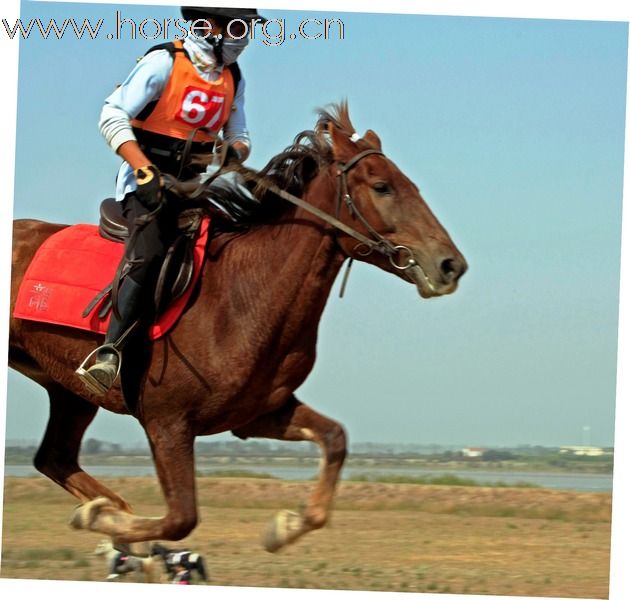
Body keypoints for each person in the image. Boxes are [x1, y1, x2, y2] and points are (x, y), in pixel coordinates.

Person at [77, 6, 265, 395]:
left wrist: (236, 151)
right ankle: (110, 353)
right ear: (208, 26)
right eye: (237, 26)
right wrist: (143, 170)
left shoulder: (234, 77)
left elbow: (239, 131)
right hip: (144, 183)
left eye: (246, 26)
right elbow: (111, 115)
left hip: (193, 186)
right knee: (149, 252)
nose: (243, 35)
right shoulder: (163, 62)